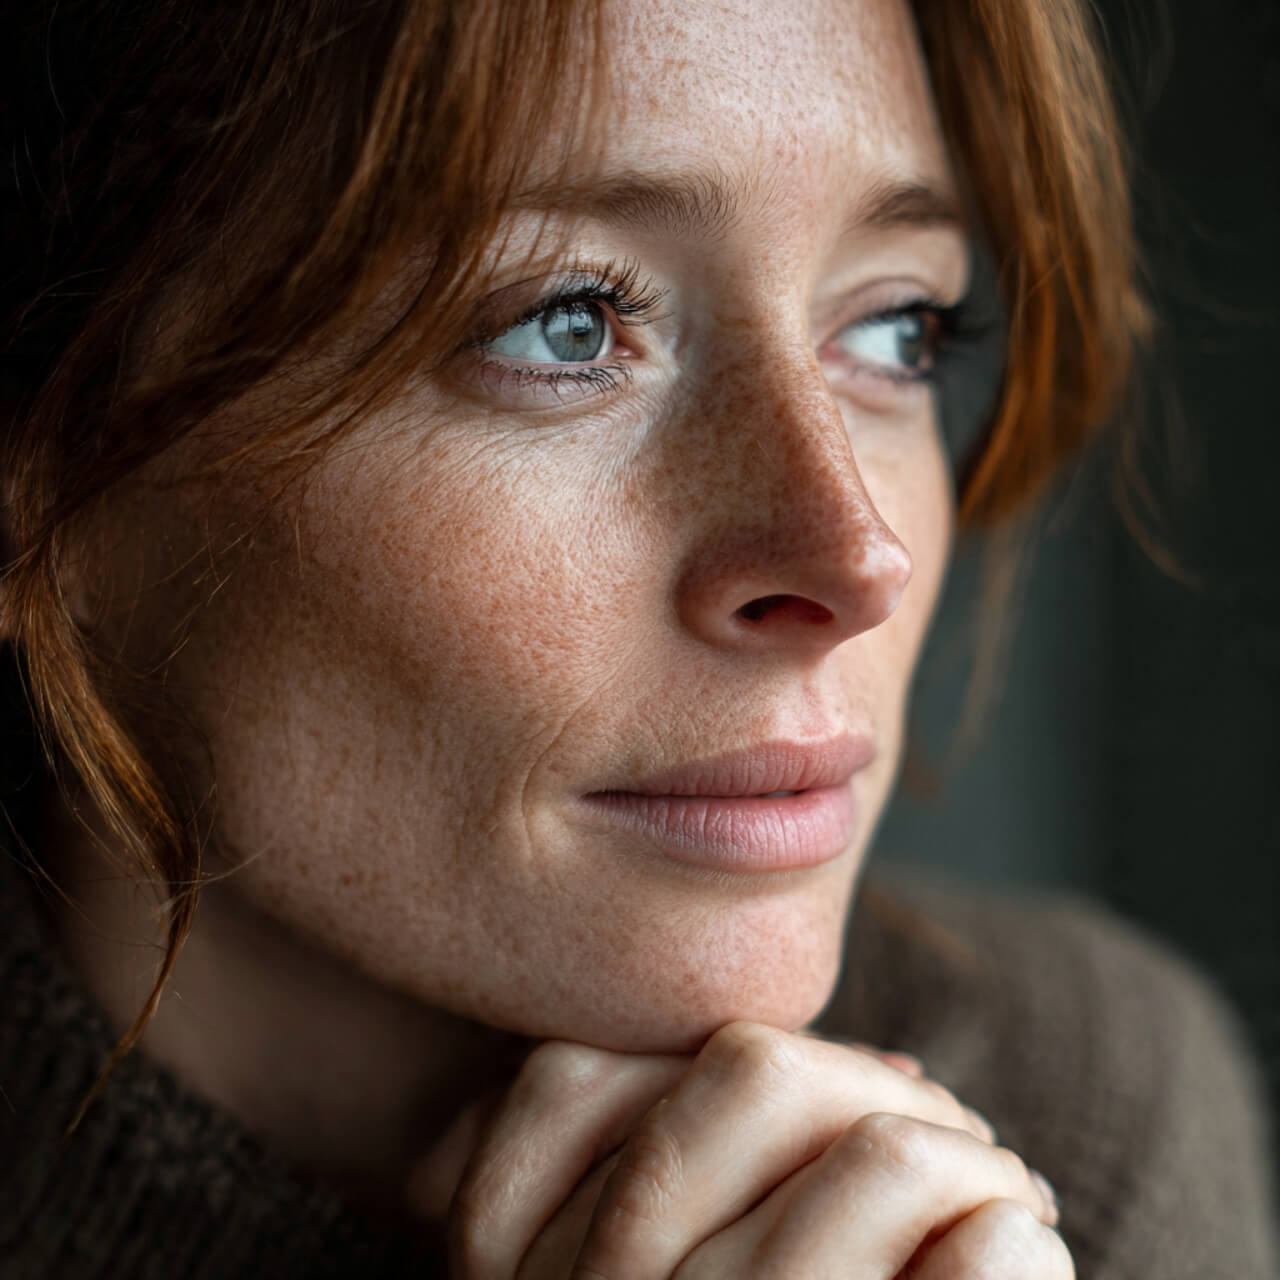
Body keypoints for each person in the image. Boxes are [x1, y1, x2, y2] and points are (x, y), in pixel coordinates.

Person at [1, 0, 1275, 1275]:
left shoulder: (1071, 1125)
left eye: (896, 327)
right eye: (564, 320)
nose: (853, 553)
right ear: (46, 463)